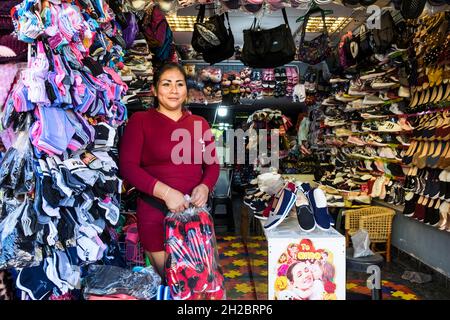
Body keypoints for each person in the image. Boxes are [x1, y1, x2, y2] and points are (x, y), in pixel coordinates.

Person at [119, 62, 220, 277]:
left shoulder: (199, 123)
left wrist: (204, 186)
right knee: (172, 280)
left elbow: (212, 165)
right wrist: (166, 193)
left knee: (199, 281)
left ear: (186, 90)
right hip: (155, 213)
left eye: (179, 84)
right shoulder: (140, 121)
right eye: (166, 84)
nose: (174, 90)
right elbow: (128, 167)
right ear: (155, 90)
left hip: (193, 215)